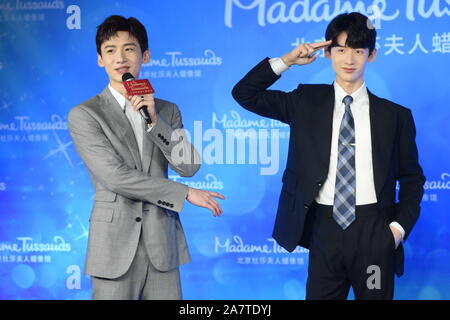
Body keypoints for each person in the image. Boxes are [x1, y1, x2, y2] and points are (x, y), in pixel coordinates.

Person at [232, 12, 425, 300]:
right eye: (341, 49)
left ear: (371, 55)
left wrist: (396, 231)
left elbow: (412, 178)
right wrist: (287, 60)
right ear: (328, 53)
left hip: (374, 230)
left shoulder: (394, 116)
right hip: (324, 228)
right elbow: (244, 93)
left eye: (358, 51)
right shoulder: (305, 101)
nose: (349, 59)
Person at [68, 15, 225, 300]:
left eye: (129, 49)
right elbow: (115, 177)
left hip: (161, 244)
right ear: (100, 60)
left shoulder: (167, 110)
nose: (121, 58)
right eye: (110, 50)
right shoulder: (86, 114)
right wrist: (184, 193)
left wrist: (154, 122)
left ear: (146, 55)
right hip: (113, 246)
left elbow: (189, 165)